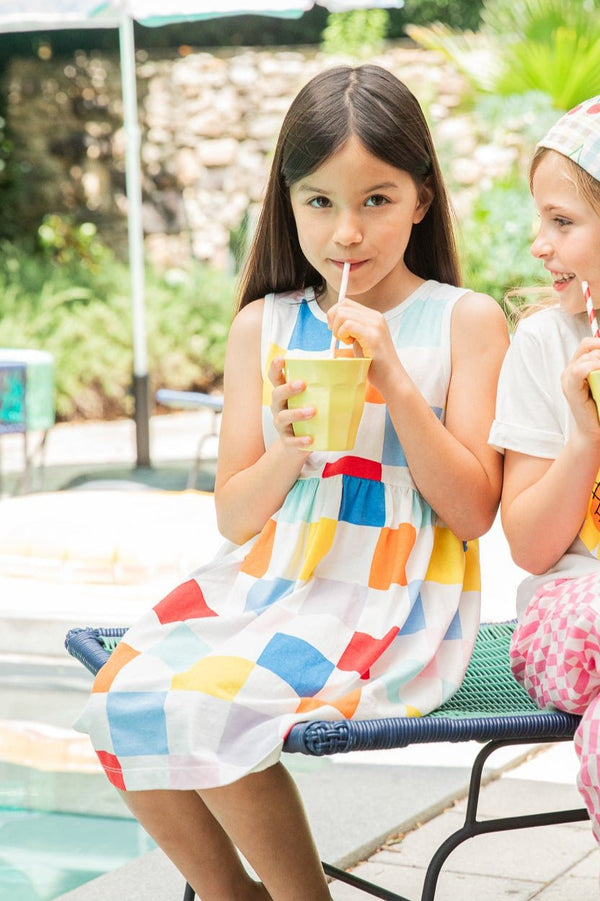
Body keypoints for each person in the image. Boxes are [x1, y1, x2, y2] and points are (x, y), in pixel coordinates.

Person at [75, 64, 508, 901]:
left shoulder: (466, 320)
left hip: (396, 597)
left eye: (376, 200)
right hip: (274, 582)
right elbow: (236, 519)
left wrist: (396, 380)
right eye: (321, 202)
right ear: (289, 202)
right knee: (119, 692)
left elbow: (473, 510)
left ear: (422, 198)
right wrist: (289, 447)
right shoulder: (263, 326)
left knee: (209, 703)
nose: (347, 232)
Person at [489, 95, 600, 849]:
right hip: (568, 611)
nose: (540, 243)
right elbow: (528, 545)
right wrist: (584, 433)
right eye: (543, 220)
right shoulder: (544, 345)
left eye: (563, 223)